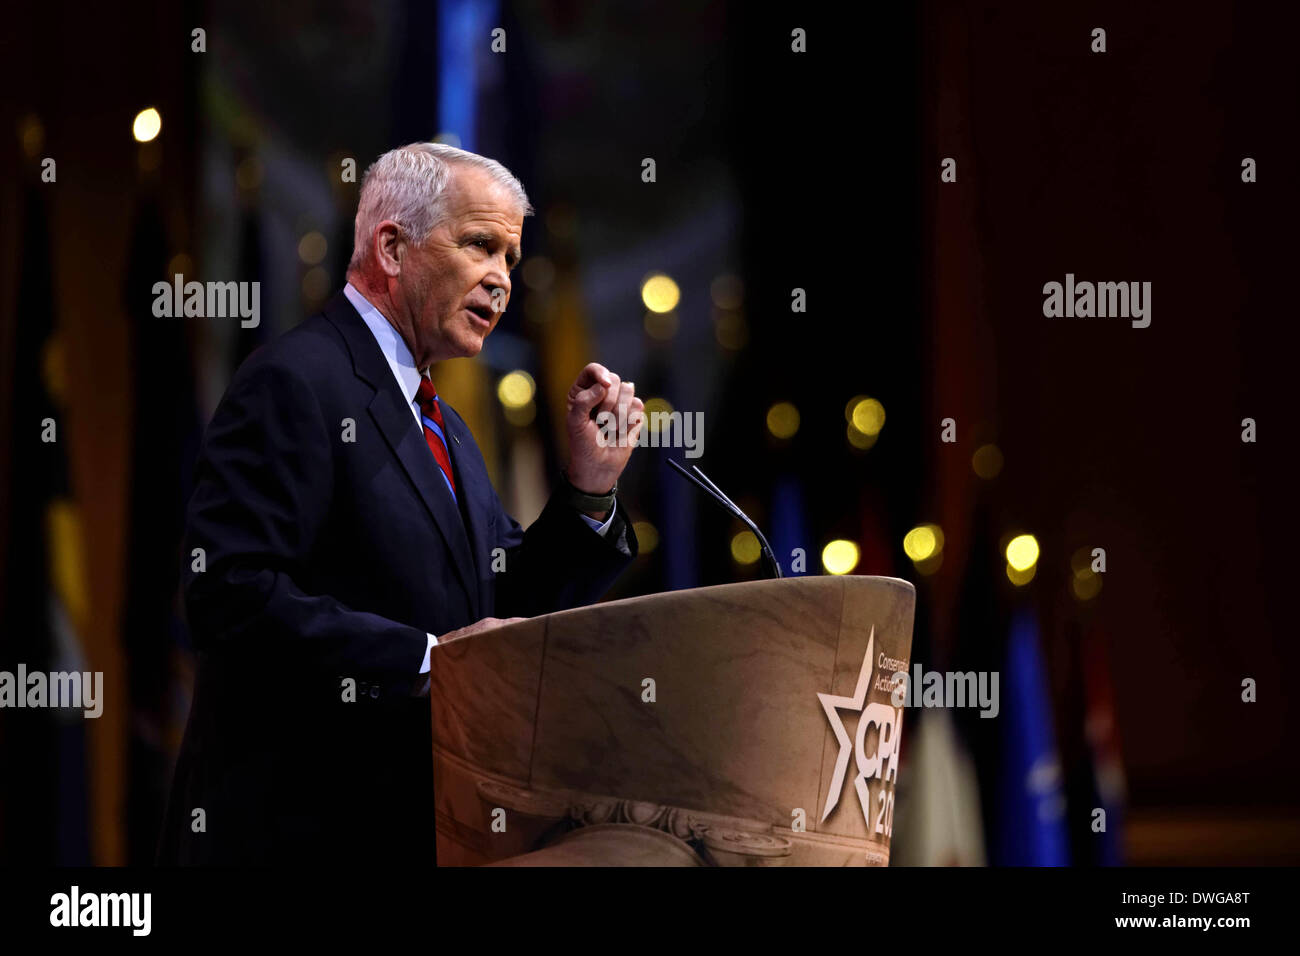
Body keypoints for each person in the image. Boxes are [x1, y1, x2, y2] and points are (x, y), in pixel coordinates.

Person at [157, 143, 644, 865]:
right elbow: (230, 595)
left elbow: (497, 602)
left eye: (510, 258)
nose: (502, 281)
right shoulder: (296, 382)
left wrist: (589, 489)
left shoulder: (440, 421)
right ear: (392, 246)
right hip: (295, 838)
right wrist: (427, 660)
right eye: (481, 245)